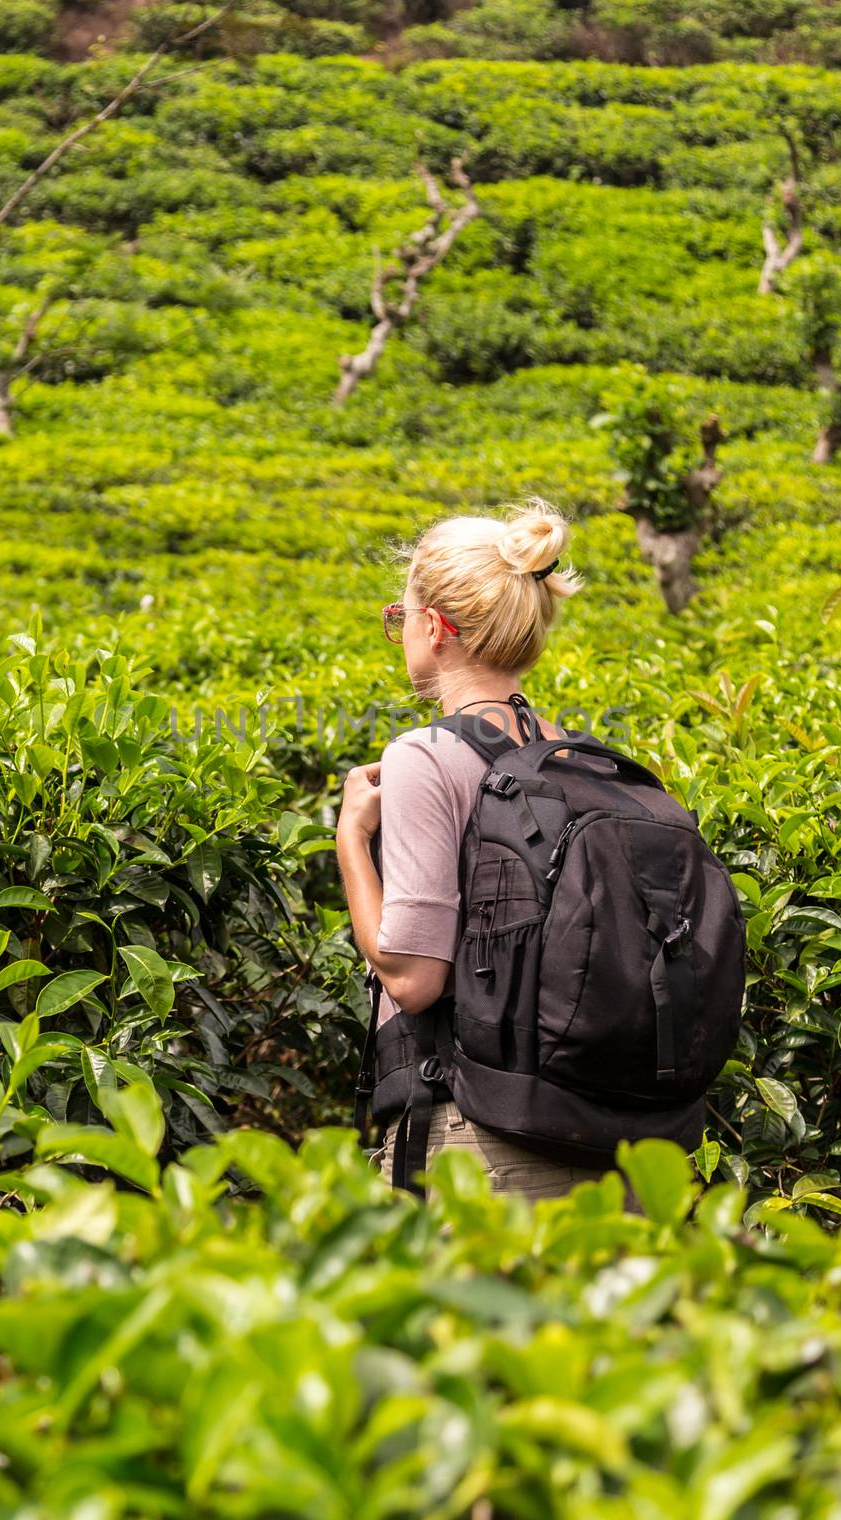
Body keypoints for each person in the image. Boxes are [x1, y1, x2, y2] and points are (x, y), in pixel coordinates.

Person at [337, 496, 648, 1207]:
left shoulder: (424, 757)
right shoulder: (581, 759)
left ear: (434, 626)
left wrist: (352, 840)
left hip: (480, 1148)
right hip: (613, 1148)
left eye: (400, 619)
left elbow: (413, 979)